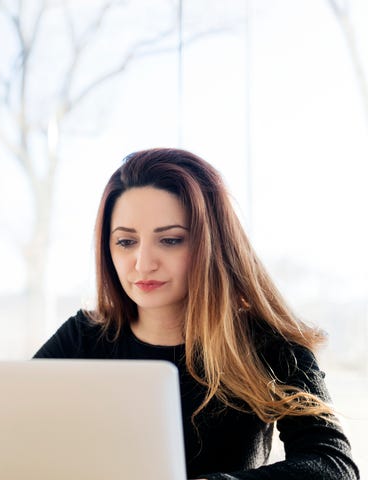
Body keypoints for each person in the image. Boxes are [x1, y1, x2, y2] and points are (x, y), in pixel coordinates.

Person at [34, 148, 359, 480]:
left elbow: (333, 465)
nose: (144, 263)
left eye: (171, 240)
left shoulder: (266, 343)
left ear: (213, 245)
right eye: (126, 242)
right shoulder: (82, 337)